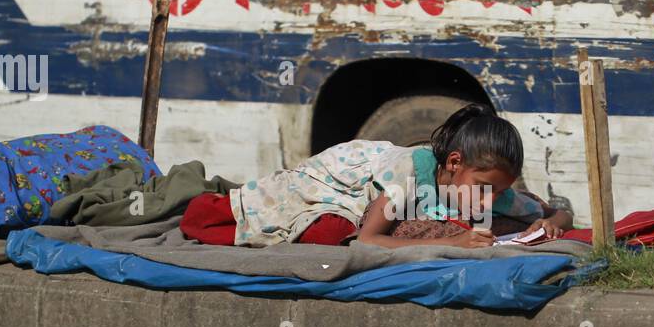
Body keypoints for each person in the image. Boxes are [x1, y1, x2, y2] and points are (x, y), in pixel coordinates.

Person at [180, 104, 572, 248]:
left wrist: (550, 223)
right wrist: (454, 241)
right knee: (329, 231)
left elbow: (558, 213)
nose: (489, 204)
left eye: (497, 193)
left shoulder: (490, 191)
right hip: (338, 177)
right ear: (453, 164)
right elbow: (369, 240)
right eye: (484, 191)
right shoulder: (410, 176)